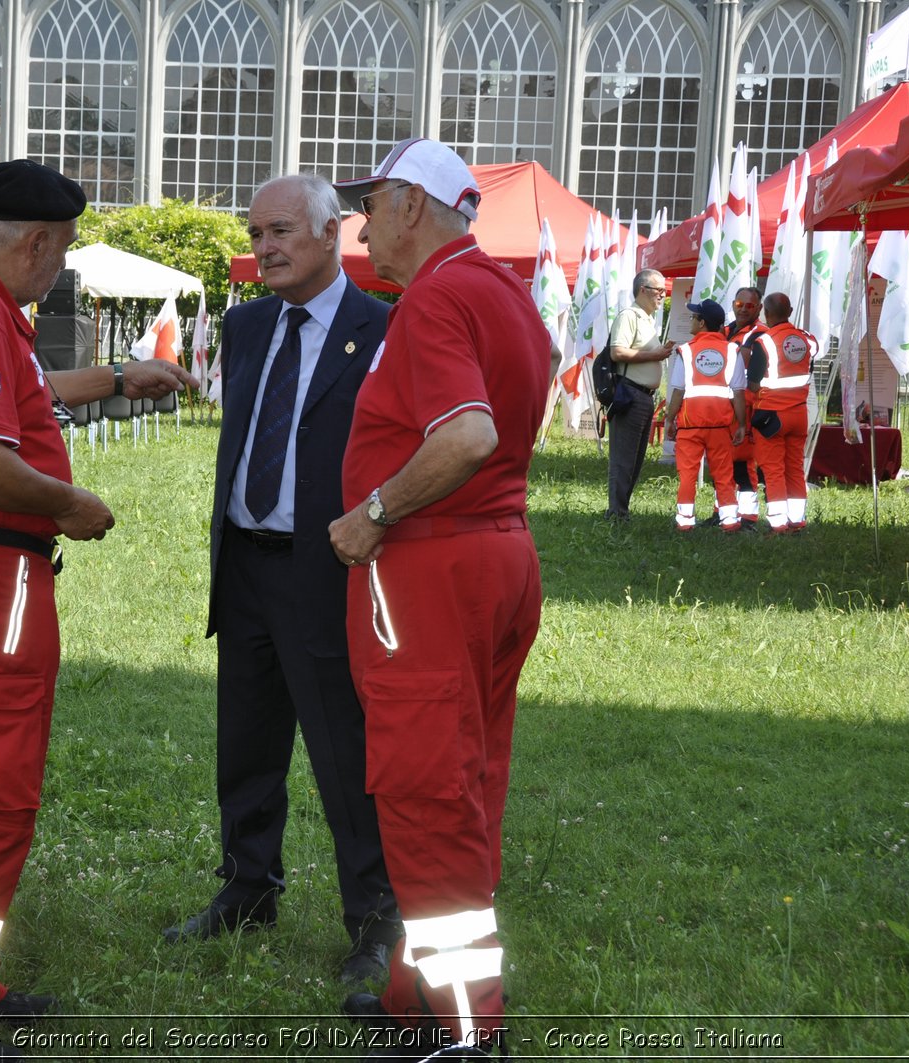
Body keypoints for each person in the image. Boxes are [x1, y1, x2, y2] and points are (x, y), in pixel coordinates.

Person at [0, 158, 193, 1061]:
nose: (55, 277)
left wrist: (118, 378)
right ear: (37, 242)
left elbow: (24, 397)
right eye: (57, 261)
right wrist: (69, 504)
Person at [329, 137, 551, 1060]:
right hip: (496, 556)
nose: (362, 223)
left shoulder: (437, 299)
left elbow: (465, 435)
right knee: (467, 783)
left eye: (371, 203)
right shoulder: (504, 296)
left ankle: (465, 1025)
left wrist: (372, 512)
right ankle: (417, 993)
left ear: (413, 206)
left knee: (424, 796)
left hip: (428, 568)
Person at [165, 173, 399, 982]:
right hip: (245, 565)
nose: (263, 247)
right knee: (247, 743)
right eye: (256, 232)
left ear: (332, 232)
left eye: (281, 233)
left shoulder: (381, 329)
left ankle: (374, 920)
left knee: (345, 752)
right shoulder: (248, 324)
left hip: (325, 568)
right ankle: (247, 888)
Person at [664, 299, 746, 532]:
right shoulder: (732, 350)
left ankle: (685, 522)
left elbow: (678, 390)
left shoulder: (687, 351)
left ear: (702, 323)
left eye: (694, 317)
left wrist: (670, 419)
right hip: (720, 426)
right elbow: (738, 392)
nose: (691, 320)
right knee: (724, 475)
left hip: (690, 425)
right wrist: (741, 424)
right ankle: (730, 523)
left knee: (688, 475)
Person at [604, 268, 674, 522]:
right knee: (623, 458)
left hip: (643, 396)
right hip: (630, 394)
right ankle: (616, 513)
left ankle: (621, 510)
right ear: (642, 290)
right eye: (659, 291)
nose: (662, 296)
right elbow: (617, 352)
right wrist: (654, 355)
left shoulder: (646, 319)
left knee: (635, 458)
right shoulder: (630, 316)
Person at [747, 292, 820, 533]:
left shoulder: (764, 342)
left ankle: (778, 524)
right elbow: (807, 368)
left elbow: (753, 383)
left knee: (774, 470)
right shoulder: (808, 340)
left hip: (771, 416)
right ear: (789, 312)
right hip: (799, 414)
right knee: (795, 468)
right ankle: (797, 520)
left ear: (765, 314)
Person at [721, 287, 767, 526]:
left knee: (742, 462)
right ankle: (723, 513)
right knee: (722, 463)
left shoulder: (762, 335)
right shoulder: (724, 331)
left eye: (749, 306)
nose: (743, 309)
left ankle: (748, 516)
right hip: (721, 408)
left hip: (746, 409)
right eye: (739, 304)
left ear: (759, 308)